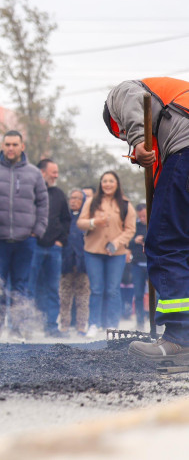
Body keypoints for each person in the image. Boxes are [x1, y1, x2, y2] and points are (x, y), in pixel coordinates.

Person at [104, 78, 189, 363]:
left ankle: (180, 339)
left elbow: (133, 100)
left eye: (123, 133)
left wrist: (137, 141)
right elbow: (163, 182)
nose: (125, 135)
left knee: (168, 244)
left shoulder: (122, 92)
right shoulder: (173, 107)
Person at [0, 130, 48, 338]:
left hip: (25, 240)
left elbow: (43, 203)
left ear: (22, 146)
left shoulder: (34, 173)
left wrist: (37, 231)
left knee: (21, 286)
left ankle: (19, 330)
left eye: (15, 144)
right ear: (2, 146)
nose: (11, 148)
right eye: (7, 144)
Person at [76, 171, 135, 337]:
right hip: (93, 252)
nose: (107, 184)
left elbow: (130, 229)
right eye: (104, 181)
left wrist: (116, 243)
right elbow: (80, 223)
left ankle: (113, 326)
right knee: (96, 289)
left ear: (117, 184)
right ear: (100, 184)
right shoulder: (91, 202)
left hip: (116, 254)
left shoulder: (125, 204)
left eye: (111, 181)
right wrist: (94, 222)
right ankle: (94, 323)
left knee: (113, 290)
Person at [28, 159, 71, 338]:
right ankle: (27, 326)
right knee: (29, 287)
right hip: (32, 246)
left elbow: (66, 219)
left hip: (54, 248)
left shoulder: (59, 194)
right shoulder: (30, 191)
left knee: (53, 289)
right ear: (42, 172)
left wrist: (61, 240)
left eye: (57, 172)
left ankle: (51, 327)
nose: (56, 175)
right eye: (53, 172)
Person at [59, 189, 90, 335]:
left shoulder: (86, 219)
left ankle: (81, 326)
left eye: (77, 198)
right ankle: (64, 325)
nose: (73, 201)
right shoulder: (65, 218)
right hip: (66, 262)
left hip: (83, 263)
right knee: (65, 296)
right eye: (71, 198)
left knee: (82, 297)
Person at [130, 203, 148, 331]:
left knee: (156, 295)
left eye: (145, 216)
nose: (142, 218)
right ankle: (140, 322)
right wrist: (134, 241)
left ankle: (156, 321)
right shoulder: (134, 227)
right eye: (140, 216)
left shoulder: (155, 224)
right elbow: (126, 243)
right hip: (137, 265)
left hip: (152, 264)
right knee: (138, 294)